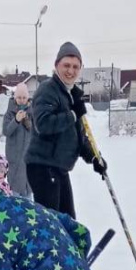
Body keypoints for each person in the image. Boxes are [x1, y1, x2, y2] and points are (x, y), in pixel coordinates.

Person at [24, 42, 106, 216]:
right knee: (53, 225)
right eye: (66, 65)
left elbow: (79, 135)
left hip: (58, 167)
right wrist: (73, 114)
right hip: (42, 167)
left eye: (76, 67)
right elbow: (43, 124)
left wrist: (94, 157)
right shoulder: (48, 90)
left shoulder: (71, 94)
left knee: (68, 221)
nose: (71, 71)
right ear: (56, 66)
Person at [2, 83, 33, 197]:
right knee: (15, 195)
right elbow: (6, 131)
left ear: (27, 98)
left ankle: (29, 214)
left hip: (29, 160)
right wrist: (16, 120)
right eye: (19, 97)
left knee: (28, 198)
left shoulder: (32, 112)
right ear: (15, 98)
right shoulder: (9, 114)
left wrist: (28, 123)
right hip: (15, 159)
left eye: (24, 97)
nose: (21, 100)